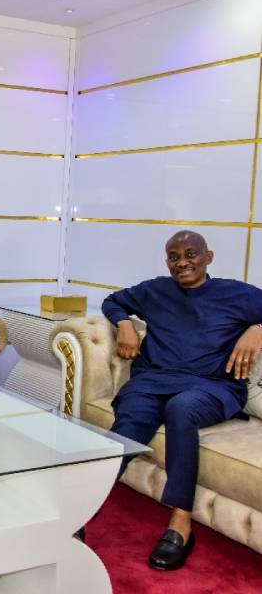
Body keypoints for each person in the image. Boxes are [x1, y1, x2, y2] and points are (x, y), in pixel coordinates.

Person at [102, 230, 262, 571]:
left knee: (182, 408)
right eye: (174, 257)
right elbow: (112, 301)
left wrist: (257, 327)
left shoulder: (237, 294)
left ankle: (180, 523)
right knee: (128, 421)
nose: (182, 262)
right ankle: (81, 506)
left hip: (213, 387)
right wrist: (125, 323)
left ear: (209, 257)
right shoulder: (155, 290)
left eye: (191, 254)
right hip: (154, 380)